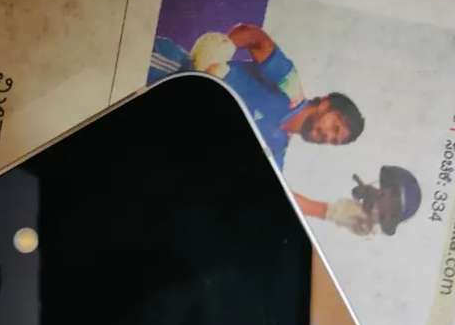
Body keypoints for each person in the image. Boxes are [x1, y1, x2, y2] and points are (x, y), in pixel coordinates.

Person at [149, 23, 365, 168]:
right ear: (326, 104)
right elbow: (255, 36)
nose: (328, 137)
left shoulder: (275, 153)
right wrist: (220, 49)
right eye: (335, 127)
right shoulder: (289, 85)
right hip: (165, 71)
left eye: (334, 141)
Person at [295, 166, 422, 236]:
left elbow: (312, 208)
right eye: (387, 190)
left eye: (393, 195)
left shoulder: (360, 223)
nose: (381, 193)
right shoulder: (359, 211)